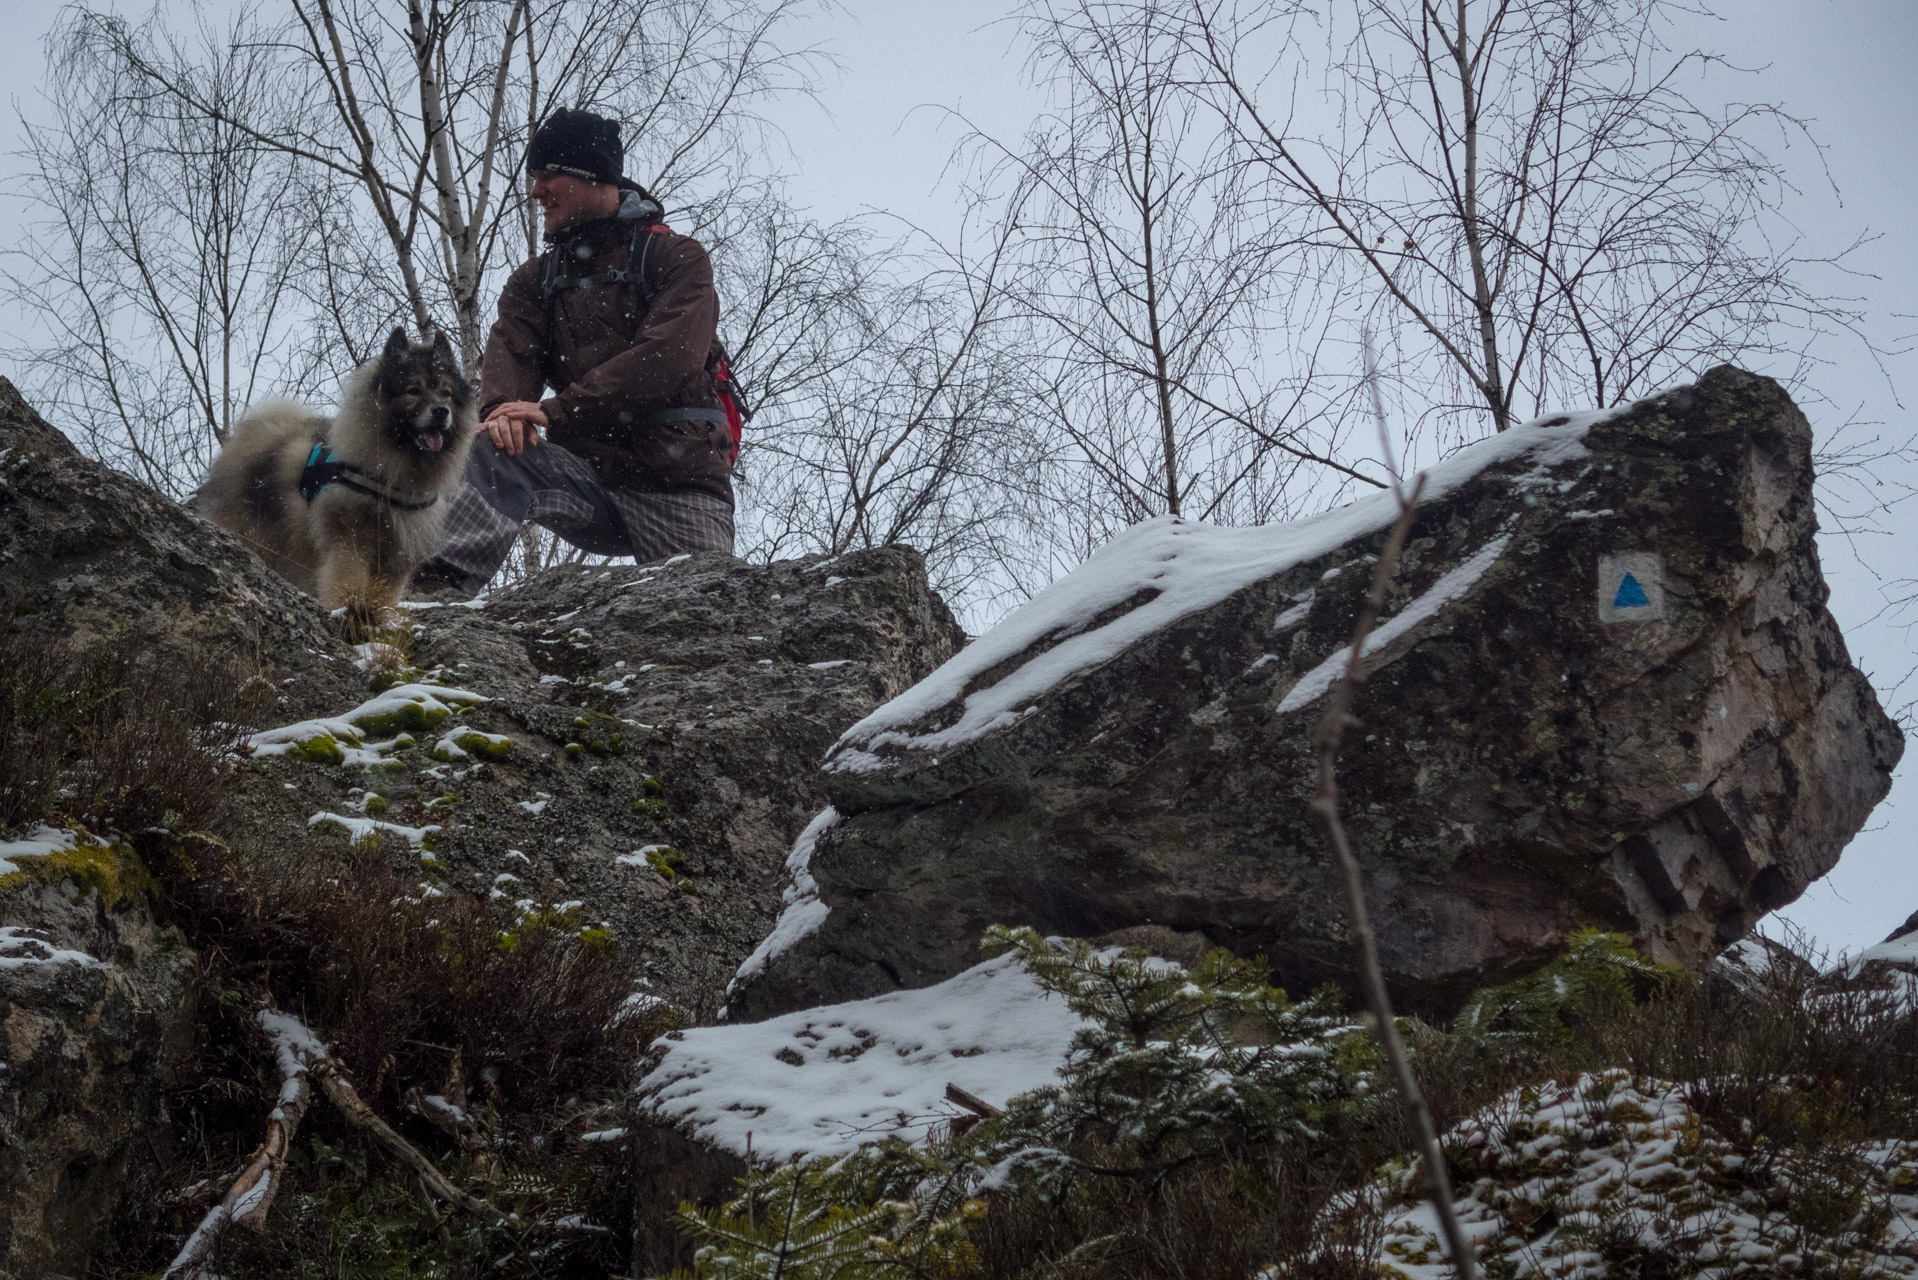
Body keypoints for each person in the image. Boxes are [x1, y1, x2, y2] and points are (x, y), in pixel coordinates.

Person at [415, 107, 736, 594]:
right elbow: (511, 361)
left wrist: (557, 410)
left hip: (679, 482)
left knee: (705, 627)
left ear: (592, 177)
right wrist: (504, 412)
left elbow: (668, 359)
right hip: (589, 481)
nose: (535, 191)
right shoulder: (533, 282)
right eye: (533, 178)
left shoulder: (676, 258)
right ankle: (431, 598)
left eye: (548, 176)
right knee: (495, 445)